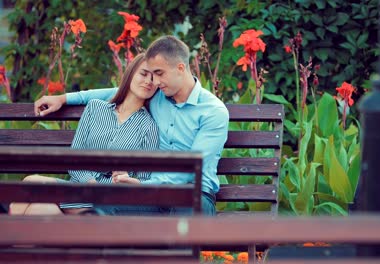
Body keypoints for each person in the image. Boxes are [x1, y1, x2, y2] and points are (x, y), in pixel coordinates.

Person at [33, 35, 229, 216]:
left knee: (181, 223)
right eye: (151, 74)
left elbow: (191, 169)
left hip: (194, 194)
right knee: (102, 203)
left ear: (180, 68)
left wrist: (145, 186)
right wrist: (64, 98)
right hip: (153, 196)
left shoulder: (213, 111)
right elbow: (121, 91)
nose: (155, 82)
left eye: (159, 73)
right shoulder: (159, 95)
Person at [10, 53, 160, 215]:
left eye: (154, 78)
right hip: (79, 190)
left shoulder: (149, 126)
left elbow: (144, 180)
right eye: (143, 74)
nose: (148, 82)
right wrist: (91, 184)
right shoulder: (95, 108)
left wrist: (127, 179)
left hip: (110, 198)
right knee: (39, 208)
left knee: (32, 183)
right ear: (131, 74)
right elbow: (75, 159)